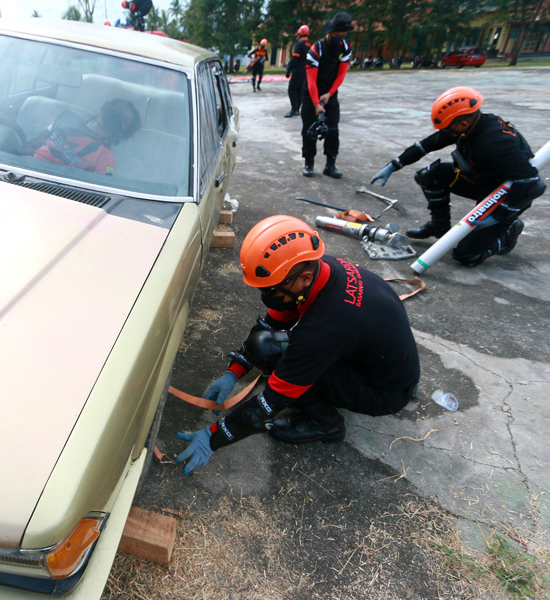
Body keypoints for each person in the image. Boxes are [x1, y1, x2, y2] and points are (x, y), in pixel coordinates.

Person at [176, 215, 421, 474]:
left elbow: (268, 404)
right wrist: (233, 371)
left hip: (383, 393)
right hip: (376, 363)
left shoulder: (326, 326)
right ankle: (329, 394)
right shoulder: (317, 269)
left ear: (303, 278)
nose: (266, 297)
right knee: (267, 344)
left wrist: (213, 437)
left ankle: (327, 425)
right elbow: (270, 328)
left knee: (281, 359)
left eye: (271, 290)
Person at [370, 86, 546, 267]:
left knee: (466, 256)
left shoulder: (494, 143)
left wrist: (499, 215)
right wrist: (395, 164)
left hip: (505, 194)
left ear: (463, 123)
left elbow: (532, 185)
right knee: (430, 176)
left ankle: (507, 234)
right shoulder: (471, 125)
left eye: (446, 128)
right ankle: (439, 225)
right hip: (480, 178)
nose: (444, 133)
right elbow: (427, 144)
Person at [301, 11, 353, 179]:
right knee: (309, 130)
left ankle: (330, 165)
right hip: (311, 93)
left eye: (343, 35)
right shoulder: (316, 50)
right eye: (337, 35)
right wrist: (316, 103)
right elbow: (311, 81)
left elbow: (341, 74)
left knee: (333, 129)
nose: (340, 38)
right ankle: (309, 162)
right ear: (330, 33)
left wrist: (330, 94)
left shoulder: (345, 47)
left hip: (330, 93)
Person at [32, 99, 141, 175]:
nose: (117, 115)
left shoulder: (104, 156)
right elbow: (36, 143)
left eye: (123, 118)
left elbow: (95, 191)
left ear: (121, 133)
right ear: (106, 105)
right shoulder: (65, 118)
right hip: (27, 170)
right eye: (117, 109)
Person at [285, 25, 310, 118]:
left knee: (292, 89)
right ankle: (297, 108)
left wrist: (289, 70)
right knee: (300, 90)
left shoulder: (299, 44)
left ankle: (294, 109)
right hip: (306, 71)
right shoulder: (309, 45)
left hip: (298, 70)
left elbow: (295, 58)